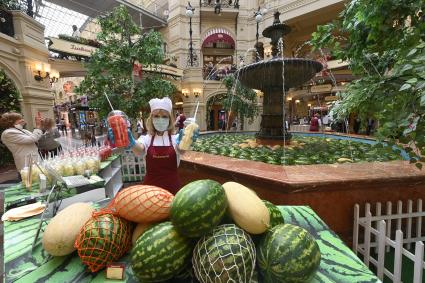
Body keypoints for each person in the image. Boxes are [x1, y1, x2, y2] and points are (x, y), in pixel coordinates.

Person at [109, 97, 199, 194]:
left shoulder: (175, 138)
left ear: (170, 119)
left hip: (172, 187)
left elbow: (181, 150)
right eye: (156, 116)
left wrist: (187, 140)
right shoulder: (146, 139)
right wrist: (132, 143)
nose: (160, 119)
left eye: (164, 116)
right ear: (151, 119)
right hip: (150, 190)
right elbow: (139, 150)